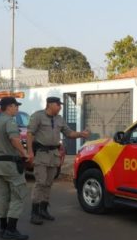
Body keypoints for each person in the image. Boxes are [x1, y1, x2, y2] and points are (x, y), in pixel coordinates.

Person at [27, 96, 90, 225]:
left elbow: (68, 133)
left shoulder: (59, 119)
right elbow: (30, 134)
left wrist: (81, 134)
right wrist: (29, 151)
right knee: (40, 182)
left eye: (60, 105)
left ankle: (43, 209)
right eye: (58, 104)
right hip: (41, 154)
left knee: (49, 183)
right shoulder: (38, 116)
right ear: (49, 104)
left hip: (54, 154)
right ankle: (35, 213)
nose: (60, 107)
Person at [0, 96, 33, 240]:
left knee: (3, 196)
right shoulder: (10, 122)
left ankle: (3, 228)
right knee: (18, 195)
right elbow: (14, 139)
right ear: (9, 107)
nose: (17, 109)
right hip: (10, 164)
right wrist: (25, 153)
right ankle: (11, 229)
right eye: (16, 106)